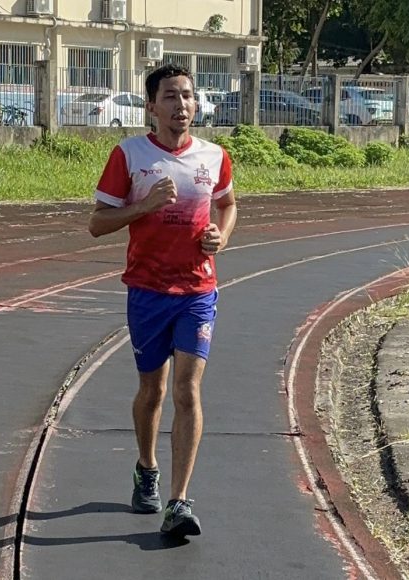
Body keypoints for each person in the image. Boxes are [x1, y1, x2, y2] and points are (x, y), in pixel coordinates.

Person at [87, 63, 237, 538]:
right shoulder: (128, 155)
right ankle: (146, 468)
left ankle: (179, 501)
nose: (182, 106)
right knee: (152, 391)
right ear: (151, 106)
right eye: (170, 97)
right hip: (148, 291)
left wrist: (221, 235)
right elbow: (97, 223)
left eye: (188, 97)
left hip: (197, 291)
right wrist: (145, 206)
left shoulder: (214, 156)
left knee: (187, 390)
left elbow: (229, 204)